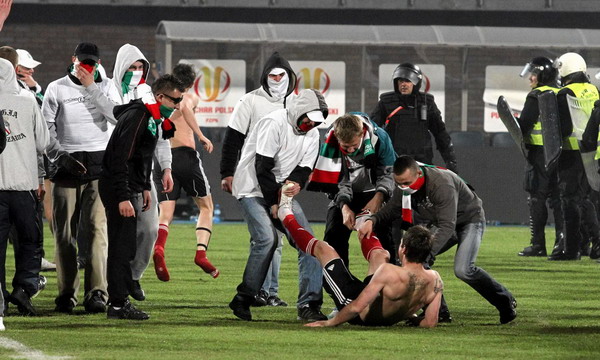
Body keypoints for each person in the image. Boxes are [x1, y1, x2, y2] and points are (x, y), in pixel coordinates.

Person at [359, 155, 517, 324]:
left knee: (463, 270)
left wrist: (425, 254)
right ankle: (440, 314)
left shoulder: (441, 184)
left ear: (419, 174)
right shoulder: (404, 185)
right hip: (442, 222)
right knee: (415, 261)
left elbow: (447, 226)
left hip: (469, 220)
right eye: (399, 183)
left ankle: (505, 301)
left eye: (406, 183)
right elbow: (391, 210)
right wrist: (371, 220)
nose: (403, 187)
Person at [228, 89, 327, 322]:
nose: (310, 124)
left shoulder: (313, 134)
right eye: (308, 118)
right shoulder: (274, 123)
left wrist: (296, 183)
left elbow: (304, 168)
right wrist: (275, 203)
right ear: (299, 110)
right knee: (267, 239)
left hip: (280, 191)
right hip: (252, 188)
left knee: (309, 244)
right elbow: (262, 167)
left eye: (316, 121)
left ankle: (309, 304)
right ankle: (244, 297)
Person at [278, 190, 443, 328]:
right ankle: (363, 221)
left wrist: (329, 323)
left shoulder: (389, 272)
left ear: (403, 249)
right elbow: (430, 322)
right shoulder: (435, 279)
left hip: (361, 313)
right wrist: (409, 316)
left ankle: (285, 214)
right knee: (381, 255)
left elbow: (357, 307)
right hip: (382, 309)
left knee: (324, 249)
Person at [43, 42, 121, 313]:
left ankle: (98, 292)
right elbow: (47, 128)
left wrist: (92, 86)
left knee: (98, 229)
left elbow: (115, 116)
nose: (86, 67)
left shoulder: (107, 87)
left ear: (98, 64)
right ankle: (66, 293)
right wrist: (61, 155)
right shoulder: (56, 87)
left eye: (92, 63)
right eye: (82, 62)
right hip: (67, 167)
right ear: (73, 59)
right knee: (64, 233)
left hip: (99, 167)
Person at [99, 74, 183, 320]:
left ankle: (120, 298)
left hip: (131, 186)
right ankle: (117, 304)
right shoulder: (138, 116)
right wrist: (124, 196)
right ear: (159, 97)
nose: (177, 105)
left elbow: (141, 158)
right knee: (121, 245)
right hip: (119, 188)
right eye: (175, 100)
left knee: (127, 244)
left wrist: (145, 186)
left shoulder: (150, 117)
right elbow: (120, 158)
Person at [220, 52, 297, 307]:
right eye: (272, 75)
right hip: (252, 181)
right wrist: (227, 173)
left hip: (280, 182)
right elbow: (233, 138)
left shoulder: (295, 103)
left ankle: (266, 292)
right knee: (267, 238)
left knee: (274, 239)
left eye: (280, 75)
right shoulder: (250, 101)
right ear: (265, 77)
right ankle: (260, 291)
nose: (276, 80)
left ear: (289, 77)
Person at [111, 43, 174, 300]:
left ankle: (134, 277)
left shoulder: (148, 94)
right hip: (115, 171)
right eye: (131, 67)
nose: (136, 72)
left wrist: (166, 167)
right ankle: (109, 288)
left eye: (140, 67)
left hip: (142, 174)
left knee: (149, 230)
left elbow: (160, 136)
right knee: (114, 236)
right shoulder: (108, 92)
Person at [152, 63, 218, 281]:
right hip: (185, 156)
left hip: (162, 159)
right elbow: (186, 107)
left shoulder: (161, 98)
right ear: (191, 84)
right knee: (206, 206)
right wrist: (201, 135)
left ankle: (159, 248)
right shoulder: (187, 97)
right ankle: (201, 253)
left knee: (166, 211)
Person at [307, 113, 396, 265]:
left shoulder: (380, 138)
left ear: (362, 133)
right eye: (345, 147)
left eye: (355, 145)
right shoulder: (330, 143)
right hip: (345, 193)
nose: (351, 150)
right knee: (333, 235)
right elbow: (335, 181)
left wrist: (379, 198)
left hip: (376, 191)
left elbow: (389, 173)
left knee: (385, 236)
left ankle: (391, 281)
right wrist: (344, 207)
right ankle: (339, 283)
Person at [0, 58, 49, 319]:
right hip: (23, 187)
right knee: (30, 243)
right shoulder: (28, 100)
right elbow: (43, 141)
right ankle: (24, 289)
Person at [551, 52, 600, 260]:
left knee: (570, 200)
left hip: (572, 151)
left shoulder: (564, 93)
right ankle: (591, 244)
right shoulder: (593, 90)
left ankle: (573, 250)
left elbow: (563, 128)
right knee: (586, 198)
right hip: (593, 151)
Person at [516, 57, 564, 257]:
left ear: (542, 75)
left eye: (533, 75)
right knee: (560, 199)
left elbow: (524, 125)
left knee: (537, 198)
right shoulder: (561, 93)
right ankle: (562, 242)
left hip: (539, 153)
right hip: (562, 154)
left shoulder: (536, 95)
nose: (530, 79)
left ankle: (538, 244)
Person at [370, 62, 457, 173]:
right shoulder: (386, 102)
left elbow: (441, 134)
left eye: (408, 81)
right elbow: (372, 130)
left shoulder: (427, 102)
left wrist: (451, 161)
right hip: (394, 160)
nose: (403, 84)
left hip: (422, 160)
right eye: (400, 81)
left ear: (416, 83)